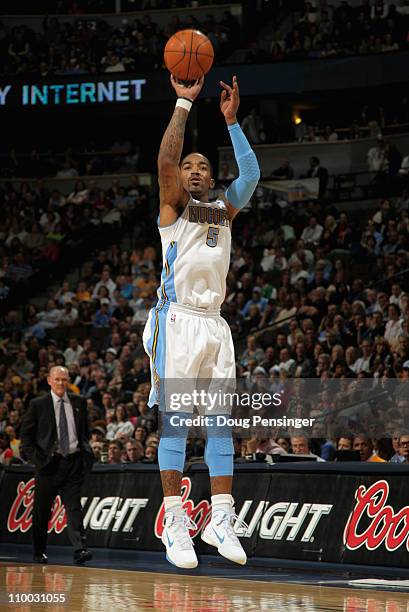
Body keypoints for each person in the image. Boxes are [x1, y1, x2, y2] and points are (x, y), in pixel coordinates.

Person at [142, 74, 260, 569]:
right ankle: (175, 522)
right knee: (176, 425)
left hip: (215, 324)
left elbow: (251, 176)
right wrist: (185, 102)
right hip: (178, 321)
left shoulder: (223, 210)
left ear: (211, 180)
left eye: (202, 167)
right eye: (188, 166)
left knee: (218, 429)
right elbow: (166, 160)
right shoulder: (174, 209)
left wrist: (232, 123)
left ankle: (220, 518)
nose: (193, 170)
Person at [20, 366, 94, 565]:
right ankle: (39, 552)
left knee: (74, 508)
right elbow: (25, 437)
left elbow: (85, 432)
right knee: (42, 511)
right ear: (49, 380)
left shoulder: (79, 402)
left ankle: (80, 549)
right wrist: (38, 460)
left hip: (73, 463)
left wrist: (86, 453)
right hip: (48, 466)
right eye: (58, 379)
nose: (61, 383)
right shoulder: (38, 404)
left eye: (64, 379)